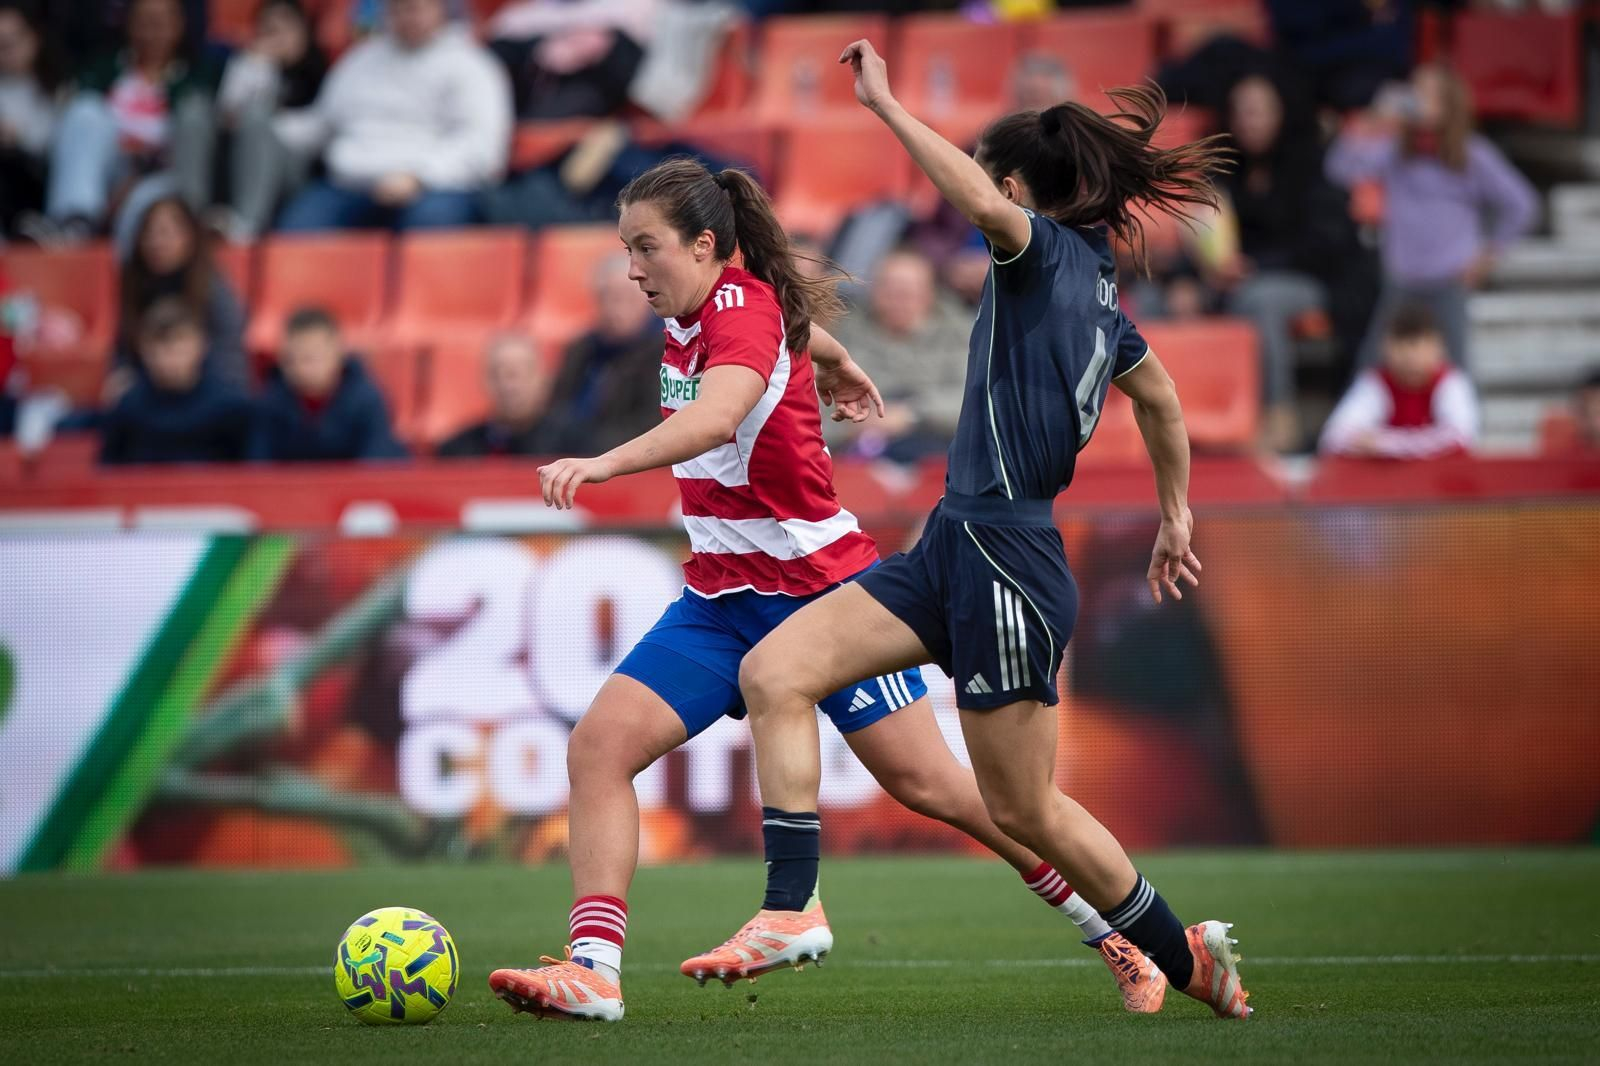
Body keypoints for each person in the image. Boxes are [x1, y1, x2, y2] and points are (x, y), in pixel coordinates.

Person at [485, 158, 1165, 1023]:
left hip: (819, 593)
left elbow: (718, 413)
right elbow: (792, 339)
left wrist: (603, 463)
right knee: (598, 750)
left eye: (644, 247)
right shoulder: (699, 308)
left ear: (702, 246)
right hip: (720, 599)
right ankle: (593, 969)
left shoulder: (739, 309)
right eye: (626, 249)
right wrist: (839, 362)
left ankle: (1114, 929)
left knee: (944, 790)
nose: (631, 268)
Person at [693, 41, 1252, 1020]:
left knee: (1022, 806)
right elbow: (1159, 398)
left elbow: (987, 210)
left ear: (1016, 188)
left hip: (1008, 556)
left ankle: (1180, 947)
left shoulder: (1039, 254)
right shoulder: (1102, 298)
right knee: (775, 673)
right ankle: (790, 906)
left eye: (998, 191)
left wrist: (886, 105)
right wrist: (1174, 512)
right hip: (955, 541)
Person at [1327, 64, 1538, 369]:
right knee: (1374, 366)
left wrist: (1489, 254)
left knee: (1454, 370)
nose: (1417, 99)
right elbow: (1338, 169)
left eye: (1427, 93)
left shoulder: (1472, 154)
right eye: (1414, 90)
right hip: (1402, 279)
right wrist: (1372, 120)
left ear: (1449, 103)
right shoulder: (1395, 151)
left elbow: (1522, 204)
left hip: (1449, 281)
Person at [1212, 73, 1360, 452]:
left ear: (1279, 113)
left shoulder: (1310, 164)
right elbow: (1205, 233)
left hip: (1312, 281)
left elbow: (1324, 244)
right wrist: (1191, 273)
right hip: (1237, 279)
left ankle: (1279, 416)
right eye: (1240, 112)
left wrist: (1256, 266)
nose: (1247, 120)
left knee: (1260, 299)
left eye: (1257, 111)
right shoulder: (1223, 168)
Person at [273, 0, 512, 232]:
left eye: (414, 7)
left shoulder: (472, 65)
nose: (405, 16)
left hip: (434, 188)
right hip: (350, 185)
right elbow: (322, 125)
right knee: (299, 227)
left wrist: (418, 177)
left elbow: (481, 148)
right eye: (396, 8)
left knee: (430, 226)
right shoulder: (359, 60)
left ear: (442, 8)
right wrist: (264, 128)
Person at [28, 0, 218, 244]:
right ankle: (74, 221)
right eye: (144, 21)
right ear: (128, 24)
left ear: (179, 25)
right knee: (85, 110)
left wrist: (140, 172)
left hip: (164, 178)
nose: (152, 31)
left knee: (194, 115)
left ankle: (191, 224)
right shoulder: (100, 69)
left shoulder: (200, 76)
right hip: (107, 176)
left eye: (161, 22)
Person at [827, 247, 971, 463]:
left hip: (940, 448)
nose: (898, 300)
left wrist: (911, 414)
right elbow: (821, 403)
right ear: (873, 292)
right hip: (856, 450)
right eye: (890, 290)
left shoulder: (961, 334)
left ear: (929, 293)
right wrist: (855, 425)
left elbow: (970, 402)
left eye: (908, 292)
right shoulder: (843, 334)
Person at [210, 0, 327, 241]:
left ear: (304, 31)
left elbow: (317, 134)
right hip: (243, 165)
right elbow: (228, 115)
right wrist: (257, 65)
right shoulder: (251, 65)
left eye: (287, 29)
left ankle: (247, 225)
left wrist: (266, 126)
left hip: (297, 173)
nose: (279, 38)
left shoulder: (320, 71)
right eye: (270, 30)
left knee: (257, 119)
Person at [115, 195, 248, 392]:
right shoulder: (133, 283)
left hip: (207, 392)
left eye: (167, 233)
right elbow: (123, 348)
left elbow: (230, 358)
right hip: (148, 390)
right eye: (149, 233)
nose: (157, 242)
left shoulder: (213, 288)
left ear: (190, 236)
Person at [99, 298, 252, 465]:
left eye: (178, 347)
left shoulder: (231, 406)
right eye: (160, 348)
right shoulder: (128, 407)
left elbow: (248, 475)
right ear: (142, 349)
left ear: (201, 345)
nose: (169, 359)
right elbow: (108, 475)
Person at [1318, 303, 1478, 460]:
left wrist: (1385, 444)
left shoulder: (1451, 382)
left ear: (1439, 349)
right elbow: (1334, 438)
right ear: (1385, 348)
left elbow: (1460, 437)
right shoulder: (1375, 383)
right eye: (1401, 347)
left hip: (1443, 482)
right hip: (1382, 484)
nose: (1410, 358)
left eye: (1419, 347)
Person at [543, 252, 666, 454]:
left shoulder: (664, 352)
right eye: (609, 298)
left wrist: (585, 445)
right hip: (572, 457)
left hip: (627, 463)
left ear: (647, 300)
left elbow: (651, 426)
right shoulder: (580, 350)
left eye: (627, 298)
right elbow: (556, 411)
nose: (617, 308)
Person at [250, 306, 408, 462]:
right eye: (290, 359)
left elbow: (375, 467)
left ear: (336, 352)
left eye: (309, 358)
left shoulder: (368, 402)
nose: (300, 368)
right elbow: (258, 468)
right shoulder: (270, 402)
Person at [435, 332, 563, 458]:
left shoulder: (572, 447)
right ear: (484, 381)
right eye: (497, 374)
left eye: (520, 373)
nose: (509, 385)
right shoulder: (456, 452)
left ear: (543, 379)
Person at [0, 0, 61, 237]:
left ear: (33, 39)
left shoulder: (56, 88)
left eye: (9, 43)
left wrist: (19, 137)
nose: (4, 53)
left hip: (39, 183)